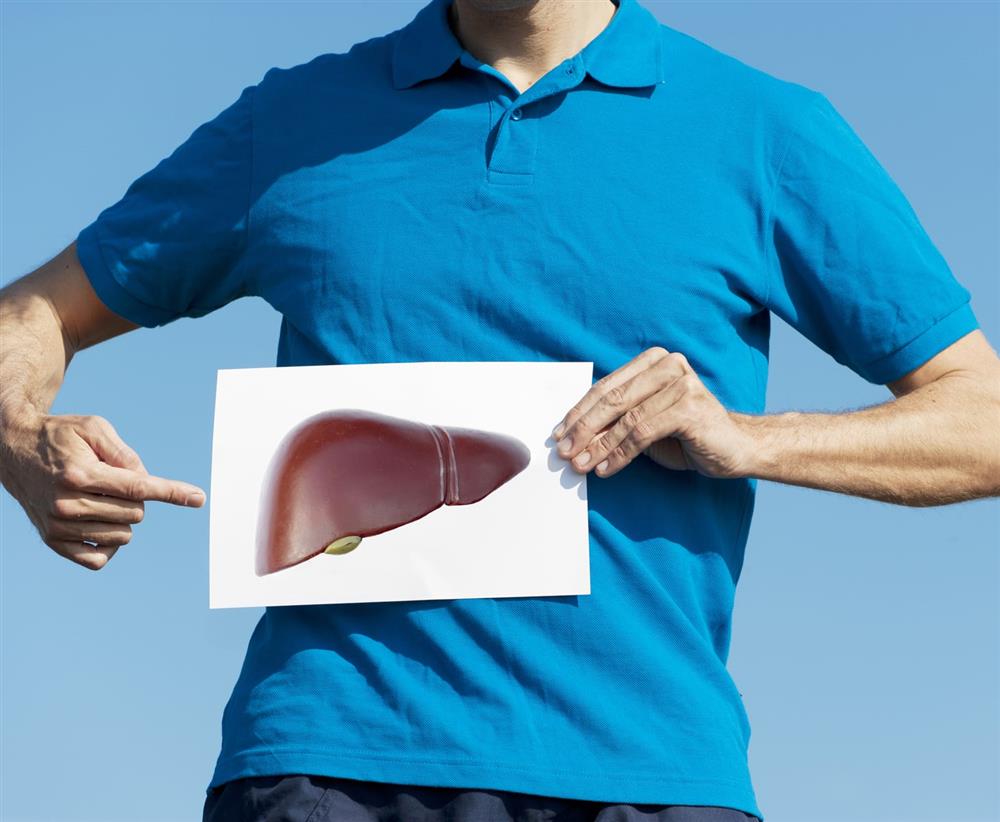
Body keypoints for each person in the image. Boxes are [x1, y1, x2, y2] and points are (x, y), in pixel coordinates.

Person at [1, 0, 997, 819]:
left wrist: (750, 441)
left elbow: (981, 422)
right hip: (322, 766)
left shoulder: (763, 130)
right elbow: (31, 315)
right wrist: (18, 443)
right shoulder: (292, 122)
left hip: (644, 773)